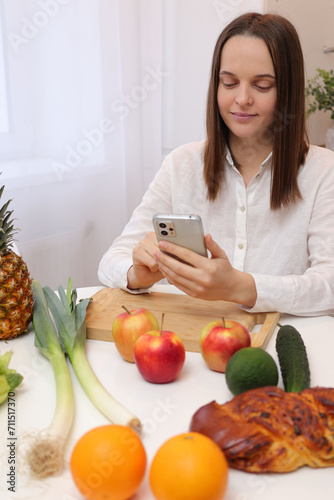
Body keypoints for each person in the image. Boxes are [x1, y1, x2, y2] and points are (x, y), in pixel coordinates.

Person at [98, 12, 334, 317]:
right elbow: (110, 261)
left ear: (287, 90)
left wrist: (241, 287)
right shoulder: (181, 164)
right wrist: (135, 272)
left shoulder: (323, 171)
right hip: (193, 350)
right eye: (229, 83)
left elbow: (328, 285)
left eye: (262, 86)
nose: (242, 99)